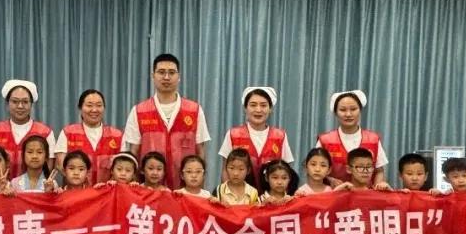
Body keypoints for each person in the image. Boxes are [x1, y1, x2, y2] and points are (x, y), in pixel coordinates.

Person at [123, 53, 211, 189]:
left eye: (171, 72)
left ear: (179, 76)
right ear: (153, 76)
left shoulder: (194, 110)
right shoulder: (139, 111)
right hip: (149, 190)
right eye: (161, 72)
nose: (166, 77)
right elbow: (134, 153)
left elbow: (200, 152)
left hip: (184, 190)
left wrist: (199, 190)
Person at [218, 86, 294, 187]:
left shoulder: (280, 136)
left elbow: (286, 170)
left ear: (270, 109)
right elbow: (225, 170)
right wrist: (227, 193)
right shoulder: (233, 134)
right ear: (245, 108)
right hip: (240, 194)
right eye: (253, 105)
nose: (258, 110)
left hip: (270, 195)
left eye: (263, 105)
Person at [0, 79, 55, 180]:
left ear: (31, 104)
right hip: (0, 188)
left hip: (33, 189)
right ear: (7, 104)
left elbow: (48, 169)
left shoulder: (45, 132)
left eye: (25, 102)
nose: (20, 106)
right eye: (15, 101)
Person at [317, 90, 390, 189]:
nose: (348, 114)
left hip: (365, 195)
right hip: (334, 195)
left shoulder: (373, 139)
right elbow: (315, 170)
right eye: (342, 110)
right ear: (335, 113)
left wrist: (377, 189)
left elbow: (379, 170)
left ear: (360, 110)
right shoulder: (325, 140)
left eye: (353, 109)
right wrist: (330, 180)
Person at [54, 89, 124, 185]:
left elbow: (124, 167)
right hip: (76, 191)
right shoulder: (68, 133)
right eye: (89, 105)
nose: (94, 110)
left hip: (107, 191)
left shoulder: (117, 135)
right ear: (80, 108)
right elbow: (60, 165)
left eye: (99, 105)